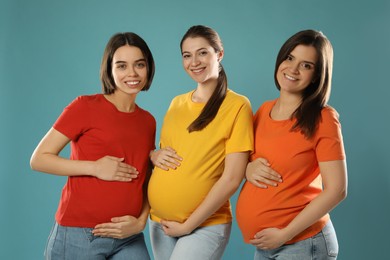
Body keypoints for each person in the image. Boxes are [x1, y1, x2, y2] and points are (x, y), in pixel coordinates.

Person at [30, 32, 156, 260]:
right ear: (110, 70)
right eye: (122, 66)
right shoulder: (85, 107)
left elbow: (147, 178)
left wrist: (140, 222)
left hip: (128, 236)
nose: (132, 73)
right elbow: (39, 159)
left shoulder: (148, 121)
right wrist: (95, 168)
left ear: (148, 68)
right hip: (80, 236)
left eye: (139, 64)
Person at [236, 29, 348, 260]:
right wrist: (248, 168)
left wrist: (285, 234)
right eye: (289, 58)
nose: (293, 69)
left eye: (306, 65)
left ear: (317, 75)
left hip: (303, 243)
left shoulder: (323, 118)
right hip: (266, 245)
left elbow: (337, 190)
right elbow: (245, 159)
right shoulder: (264, 110)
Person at [147, 25, 253, 260]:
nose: (194, 61)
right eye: (187, 55)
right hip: (159, 223)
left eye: (202, 52)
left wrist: (188, 225)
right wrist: (153, 155)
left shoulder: (237, 106)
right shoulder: (176, 103)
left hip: (205, 225)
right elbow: (166, 154)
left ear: (219, 54)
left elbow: (232, 178)